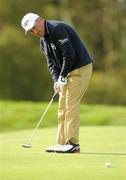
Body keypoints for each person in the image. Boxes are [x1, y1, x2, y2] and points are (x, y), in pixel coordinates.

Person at [21, 12, 93, 153]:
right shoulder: (43, 41)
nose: (34, 32)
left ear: (40, 20)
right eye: (31, 31)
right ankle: (61, 143)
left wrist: (62, 76)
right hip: (67, 72)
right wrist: (56, 79)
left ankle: (72, 143)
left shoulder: (56, 29)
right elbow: (51, 63)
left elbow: (69, 54)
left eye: (34, 27)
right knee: (61, 107)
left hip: (80, 69)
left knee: (70, 105)